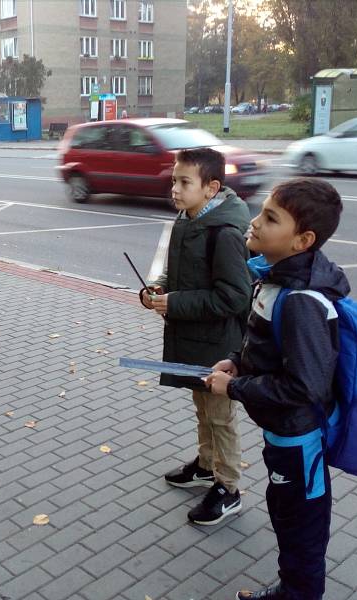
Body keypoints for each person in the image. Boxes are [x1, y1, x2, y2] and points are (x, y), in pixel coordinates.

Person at [205, 178, 347, 600]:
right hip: (281, 432)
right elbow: (268, 343)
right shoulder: (273, 277)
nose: (255, 222)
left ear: (302, 240)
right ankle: (293, 588)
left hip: (298, 438)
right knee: (287, 513)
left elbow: (303, 387)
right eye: (261, 211)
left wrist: (235, 388)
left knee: (299, 523)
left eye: (270, 218)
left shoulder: (302, 299)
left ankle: (298, 593)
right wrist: (238, 362)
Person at [140, 148, 252, 525]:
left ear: (211, 188)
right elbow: (175, 276)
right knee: (202, 409)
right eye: (174, 180)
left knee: (220, 417)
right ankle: (206, 466)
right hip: (192, 338)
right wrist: (156, 290)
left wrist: (176, 303)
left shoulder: (224, 233)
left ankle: (229, 487)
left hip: (219, 345)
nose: (174, 188)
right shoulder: (186, 219)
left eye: (184, 182)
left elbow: (235, 297)